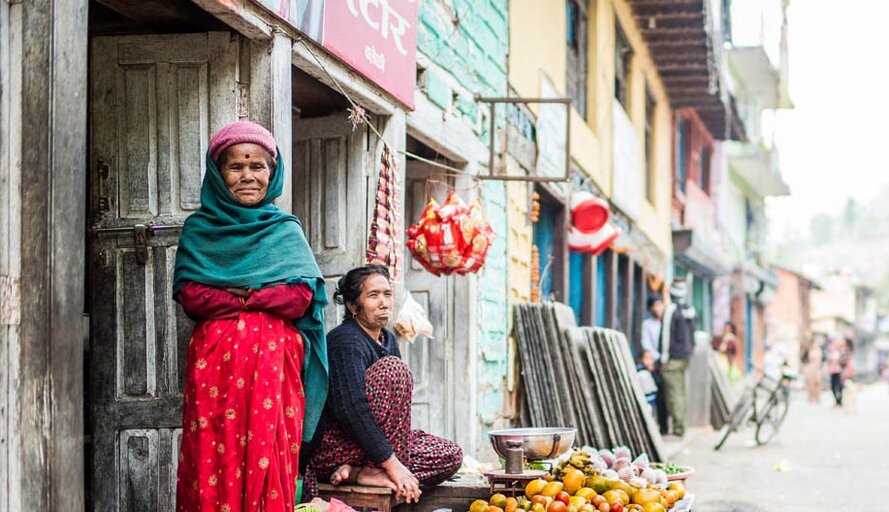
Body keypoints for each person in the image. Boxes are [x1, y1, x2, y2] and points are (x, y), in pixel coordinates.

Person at [173, 121, 329, 512]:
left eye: (258, 167)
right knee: (213, 451)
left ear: (272, 174)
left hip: (274, 368)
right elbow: (192, 296)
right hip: (215, 370)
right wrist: (258, 299)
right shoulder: (199, 230)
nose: (248, 177)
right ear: (218, 173)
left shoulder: (284, 230)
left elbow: (299, 297)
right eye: (236, 167)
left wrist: (240, 295)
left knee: (270, 448)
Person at [304, 266, 463, 502]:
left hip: (368, 449)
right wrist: (393, 464)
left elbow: (396, 415)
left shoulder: (387, 339)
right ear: (352, 306)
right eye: (373, 295)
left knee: (450, 454)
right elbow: (350, 410)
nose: (384, 303)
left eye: (387, 294)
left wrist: (392, 459)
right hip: (335, 446)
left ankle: (360, 472)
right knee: (393, 370)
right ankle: (375, 470)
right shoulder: (345, 341)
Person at [658, 279, 696, 439]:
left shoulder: (671, 310)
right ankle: (681, 427)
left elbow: (666, 335)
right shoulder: (690, 310)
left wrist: (663, 358)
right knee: (681, 391)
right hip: (685, 358)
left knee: (673, 393)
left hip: (671, 360)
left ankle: (678, 429)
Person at [640, 296, 668, 433]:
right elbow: (646, 344)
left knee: (665, 395)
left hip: (667, 363)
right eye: (655, 305)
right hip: (654, 362)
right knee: (653, 394)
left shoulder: (668, 322)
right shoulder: (648, 324)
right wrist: (652, 361)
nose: (658, 308)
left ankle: (665, 427)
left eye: (660, 305)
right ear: (650, 308)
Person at [636, 350, 659, 419]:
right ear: (640, 359)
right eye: (647, 358)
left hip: (652, 401)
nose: (650, 361)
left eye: (651, 358)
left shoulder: (652, 371)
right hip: (647, 402)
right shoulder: (642, 373)